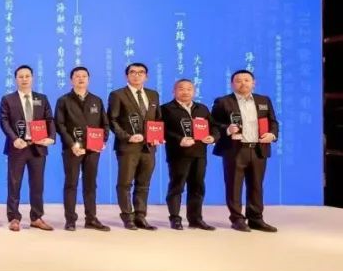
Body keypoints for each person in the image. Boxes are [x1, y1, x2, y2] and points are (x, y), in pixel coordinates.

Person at [211, 69, 279, 232]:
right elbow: (213, 124)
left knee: (256, 185)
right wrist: (227, 129)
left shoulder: (264, 100)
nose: (243, 83)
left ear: (253, 83)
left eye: (247, 80)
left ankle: (256, 218)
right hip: (235, 149)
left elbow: (273, 122)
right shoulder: (223, 102)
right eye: (238, 80)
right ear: (232, 84)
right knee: (234, 185)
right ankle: (237, 219)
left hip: (258, 148)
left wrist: (272, 134)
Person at [0, 65, 56, 231]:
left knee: (37, 184)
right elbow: (4, 121)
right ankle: (14, 218)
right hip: (17, 147)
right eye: (21, 76)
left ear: (32, 78)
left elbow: (49, 119)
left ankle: (36, 217)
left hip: (38, 147)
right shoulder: (8, 99)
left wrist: (51, 138)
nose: (24, 79)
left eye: (27, 76)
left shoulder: (42, 98)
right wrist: (14, 138)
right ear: (15, 79)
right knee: (14, 183)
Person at [107, 62, 162, 231]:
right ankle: (127, 216)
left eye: (141, 72)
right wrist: (127, 137)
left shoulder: (153, 94)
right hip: (128, 147)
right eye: (133, 72)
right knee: (125, 183)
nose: (137, 75)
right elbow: (112, 120)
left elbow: (157, 119)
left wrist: (157, 136)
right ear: (127, 76)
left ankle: (140, 216)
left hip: (149, 147)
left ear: (146, 76)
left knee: (144, 183)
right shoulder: (117, 95)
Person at [54, 66, 111, 231]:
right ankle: (70, 220)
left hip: (93, 149)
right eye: (77, 76)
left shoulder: (96, 100)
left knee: (90, 184)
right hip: (72, 149)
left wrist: (103, 141)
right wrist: (71, 144)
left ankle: (91, 218)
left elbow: (105, 123)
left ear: (88, 79)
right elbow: (60, 125)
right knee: (71, 184)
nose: (81, 79)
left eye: (84, 76)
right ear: (71, 80)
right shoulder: (63, 100)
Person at [162, 79, 218, 231]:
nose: (185, 92)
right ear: (174, 91)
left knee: (197, 186)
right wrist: (179, 139)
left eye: (189, 89)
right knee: (177, 186)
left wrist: (213, 137)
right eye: (181, 89)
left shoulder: (202, 108)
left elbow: (214, 127)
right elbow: (162, 130)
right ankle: (175, 218)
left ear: (194, 92)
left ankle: (195, 219)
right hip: (178, 154)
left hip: (199, 153)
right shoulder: (166, 109)